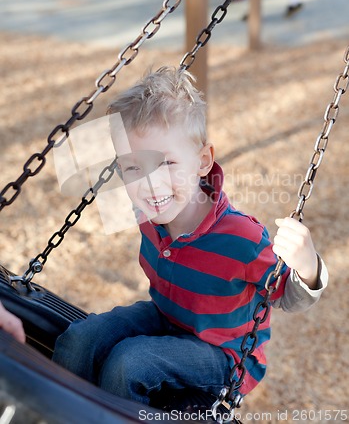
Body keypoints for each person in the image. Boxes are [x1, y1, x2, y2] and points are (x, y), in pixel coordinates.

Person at [52, 67, 328, 406]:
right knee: (80, 341)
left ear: (202, 161)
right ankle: (56, 410)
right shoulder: (146, 213)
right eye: (134, 167)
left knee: (129, 363)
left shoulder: (241, 238)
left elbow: (287, 294)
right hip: (166, 318)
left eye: (166, 163)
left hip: (223, 355)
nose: (151, 184)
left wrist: (308, 266)